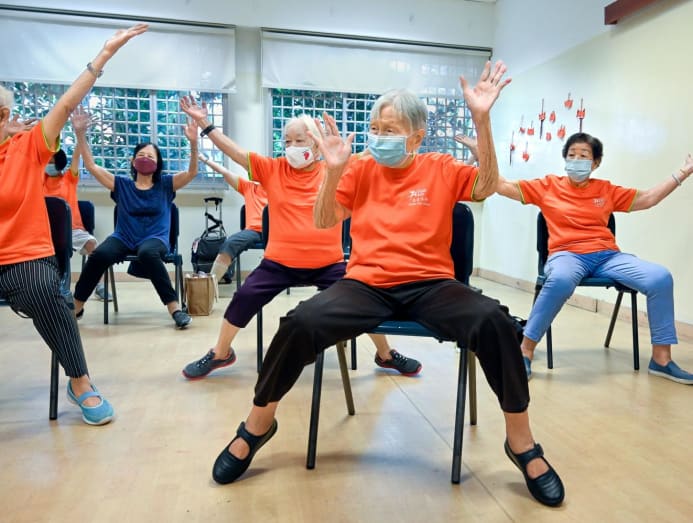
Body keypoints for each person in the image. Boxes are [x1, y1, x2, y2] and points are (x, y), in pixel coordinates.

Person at [207, 61, 565, 508]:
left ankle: (521, 443)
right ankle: (257, 426)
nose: (378, 137)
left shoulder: (439, 167)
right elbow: (324, 220)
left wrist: (482, 120)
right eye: (374, 128)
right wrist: (333, 170)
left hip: (431, 284)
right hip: (366, 284)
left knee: (493, 321)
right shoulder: (359, 167)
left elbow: (486, 187)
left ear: (416, 137)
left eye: (390, 130)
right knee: (299, 323)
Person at [178, 99, 421, 379]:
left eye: (300, 140)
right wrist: (205, 124)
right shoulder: (272, 169)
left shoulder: (335, 167)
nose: (292, 146)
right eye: (287, 141)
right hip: (278, 264)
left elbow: (374, 153)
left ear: (317, 145)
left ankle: (385, 354)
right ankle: (221, 353)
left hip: (329, 264)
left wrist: (395, 134)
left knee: (363, 296)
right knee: (244, 296)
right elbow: (234, 152)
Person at [0, 23, 148, 425]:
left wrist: (105, 54)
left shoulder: (27, 147)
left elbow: (66, 105)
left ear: (3, 115)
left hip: (23, 257)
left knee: (45, 290)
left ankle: (80, 381)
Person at [496, 132, 693, 384]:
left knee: (660, 278)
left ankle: (661, 360)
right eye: (571, 155)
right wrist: (482, 157)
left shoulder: (605, 190)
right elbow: (503, 186)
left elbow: (647, 199)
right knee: (560, 280)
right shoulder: (547, 186)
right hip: (566, 254)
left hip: (606, 257)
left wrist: (683, 173)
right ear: (564, 159)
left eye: (584, 155)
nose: (576, 160)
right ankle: (525, 351)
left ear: (596, 163)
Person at [71, 105, 198, 329]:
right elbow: (91, 166)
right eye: (140, 155)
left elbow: (191, 173)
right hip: (123, 237)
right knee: (99, 254)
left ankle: (175, 309)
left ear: (157, 164)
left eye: (150, 156)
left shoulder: (166, 184)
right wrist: (80, 134)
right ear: (132, 161)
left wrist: (194, 143)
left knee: (147, 253)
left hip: (156, 239)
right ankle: (76, 307)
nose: (145, 158)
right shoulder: (121, 185)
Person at [43, 147, 111, 301]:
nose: (48, 164)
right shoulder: (40, 179)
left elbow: (75, 157)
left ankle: (99, 286)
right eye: (46, 161)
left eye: (51, 162)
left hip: (72, 230)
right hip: (46, 231)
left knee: (92, 244)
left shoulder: (69, 178)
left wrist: (80, 137)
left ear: (59, 163)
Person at [198, 153, 268, 284]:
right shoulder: (249, 187)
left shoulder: (280, 189)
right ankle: (210, 286)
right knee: (230, 243)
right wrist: (205, 159)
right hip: (253, 231)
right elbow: (224, 172)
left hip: (275, 231)